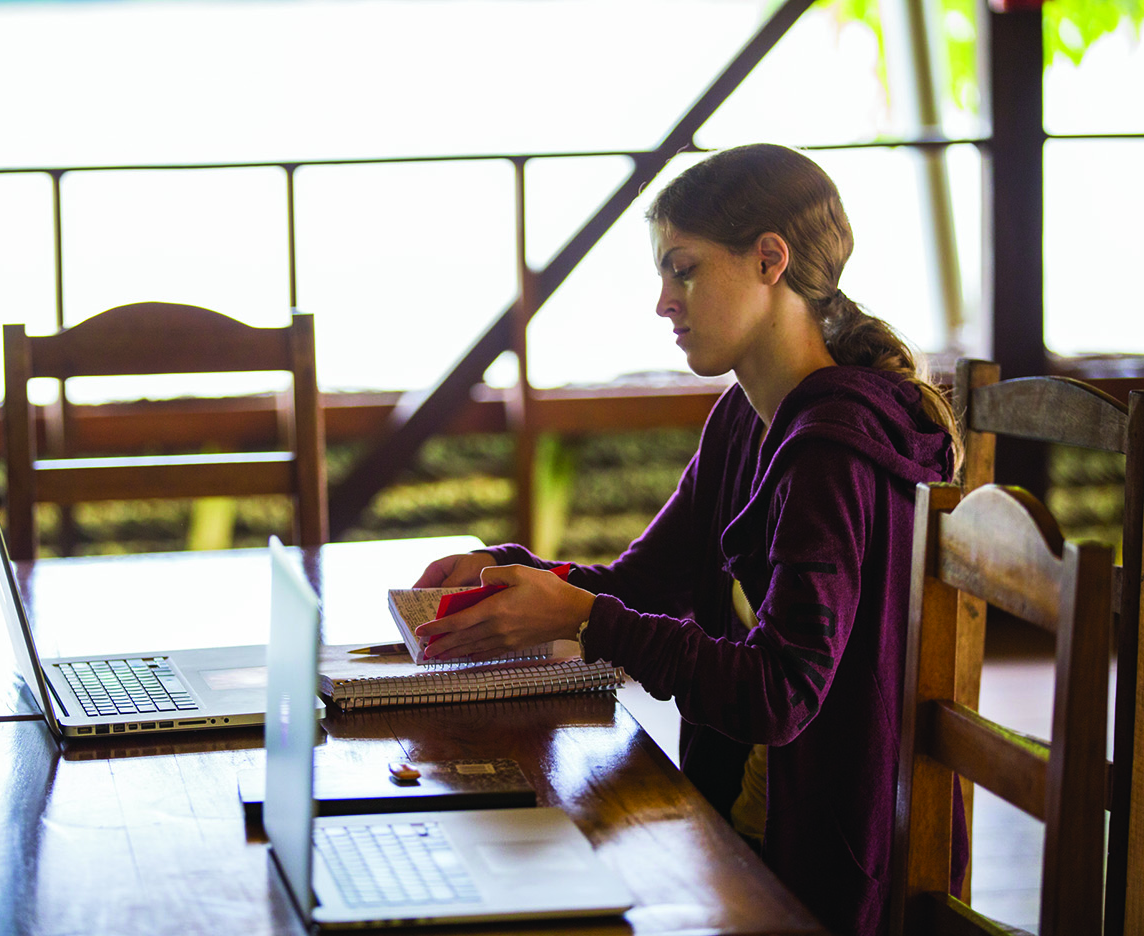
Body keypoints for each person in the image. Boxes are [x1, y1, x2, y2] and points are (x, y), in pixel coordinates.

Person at [411, 143, 965, 936]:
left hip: (813, 870)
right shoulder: (746, 417)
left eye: (684, 270)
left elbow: (781, 693)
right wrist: (514, 574)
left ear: (770, 259)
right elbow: (645, 586)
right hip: (741, 824)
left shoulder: (832, 450)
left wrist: (580, 618)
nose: (664, 303)